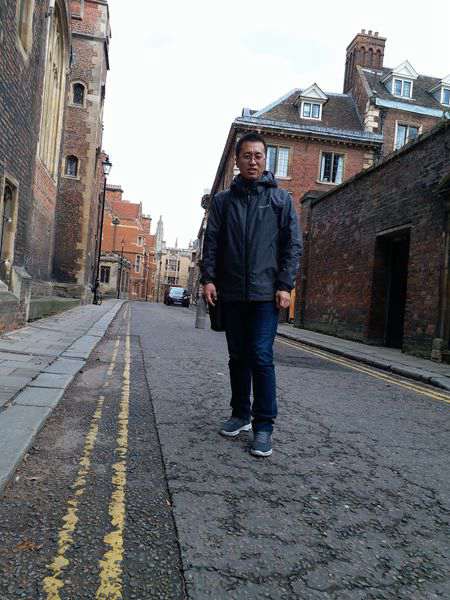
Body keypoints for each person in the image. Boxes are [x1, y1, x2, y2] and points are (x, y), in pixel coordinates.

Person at [201, 132, 302, 457]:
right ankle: (240, 414)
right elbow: (212, 243)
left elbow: (292, 246)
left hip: (265, 295)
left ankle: (263, 426)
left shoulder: (280, 200)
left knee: (260, 355)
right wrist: (208, 278)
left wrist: (285, 285)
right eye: (247, 155)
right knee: (237, 357)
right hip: (231, 293)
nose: (253, 161)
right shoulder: (222, 202)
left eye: (258, 156)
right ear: (238, 160)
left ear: (265, 159)